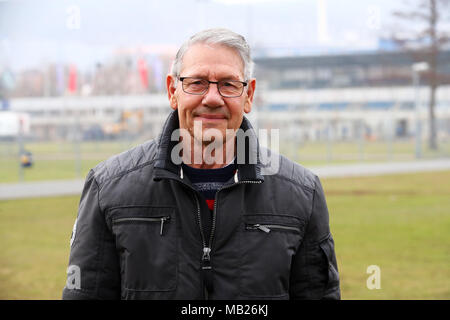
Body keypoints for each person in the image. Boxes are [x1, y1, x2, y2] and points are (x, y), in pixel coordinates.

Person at [62, 28, 340, 300]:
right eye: (197, 83)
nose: (212, 98)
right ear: (173, 90)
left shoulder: (302, 194)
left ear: (249, 96)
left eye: (229, 84)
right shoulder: (109, 189)